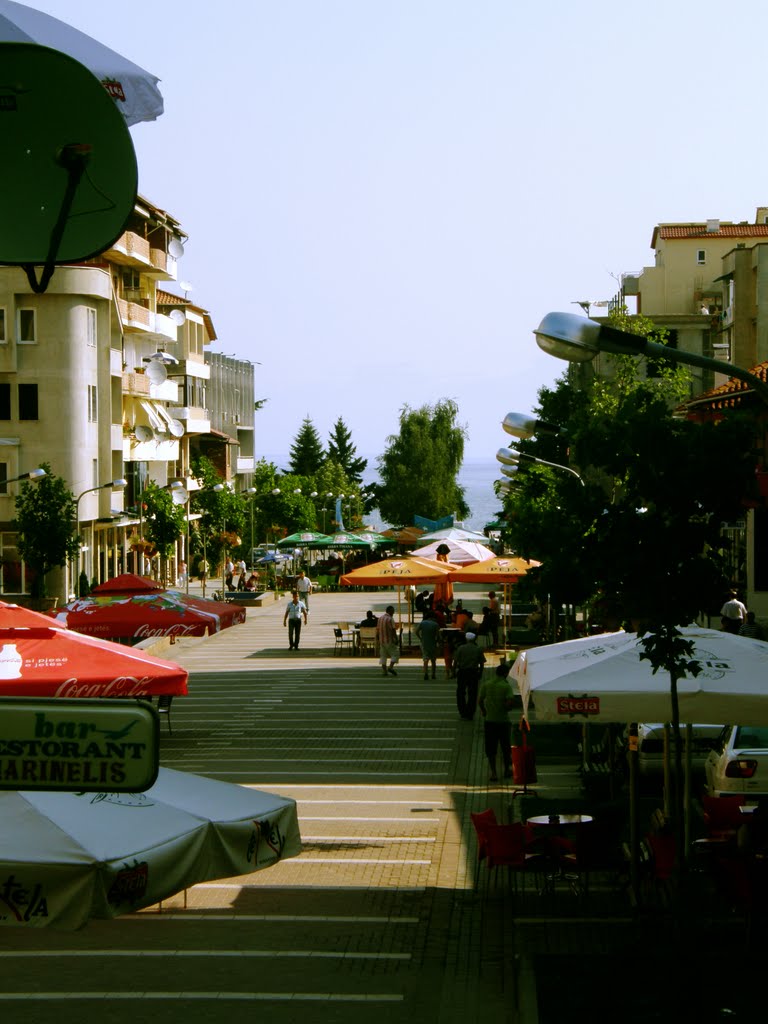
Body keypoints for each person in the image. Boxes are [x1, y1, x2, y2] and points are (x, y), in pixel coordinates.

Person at [478, 663, 516, 781]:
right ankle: (506, 770)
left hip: (490, 721)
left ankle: (493, 773)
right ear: (505, 674)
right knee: (505, 747)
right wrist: (506, 707)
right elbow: (509, 702)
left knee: (491, 748)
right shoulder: (506, 686)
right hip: (503, 721)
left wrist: (484, 711)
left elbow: (480, 700)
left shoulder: (487, 684)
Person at [453, 632, 485, 720]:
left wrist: (453, 672)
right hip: (473, 672)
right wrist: (480, 673)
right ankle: (470, 713)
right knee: (473, 693)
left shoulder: (461, 648)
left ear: (466, 639)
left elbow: (455, 661)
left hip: (462, 672)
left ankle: (463, 712)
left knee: (460, 692)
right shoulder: (478, 649)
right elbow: (482, 663)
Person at [415, 610, 440, 680]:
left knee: (425, 659)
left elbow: (416, 631)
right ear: (432, 617)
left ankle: (426, 673)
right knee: (433, 660)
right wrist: (438, 641)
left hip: (424, 643)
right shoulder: (435, 624)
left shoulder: (422, 623)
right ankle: (433, 674)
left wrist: (420, 638)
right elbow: (438, 636)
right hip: (433, 644)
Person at [377, 604, 399, 677]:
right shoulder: (390, 619)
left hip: (381, 640)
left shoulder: (380, 618)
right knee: (395, 653)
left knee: (383, 655)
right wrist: (396, 639)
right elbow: (393, 630)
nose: (393, 613)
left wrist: (378, 639)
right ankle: (390, 667)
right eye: (393, 612)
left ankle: (384, 671)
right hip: (389, 640)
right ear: (390, 611)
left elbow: (378, 629)